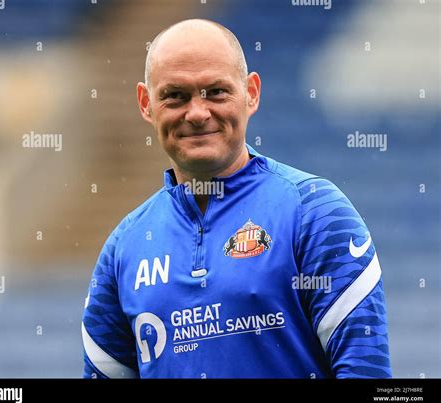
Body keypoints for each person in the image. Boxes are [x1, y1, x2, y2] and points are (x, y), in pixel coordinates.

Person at [82, 19, 391, 378]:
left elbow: (366, 374)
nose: (197, 113)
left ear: (251, 93)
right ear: (146, 103)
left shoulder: (316, 213)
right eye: (175, 95)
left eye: (215, 92)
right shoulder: (123, 248)